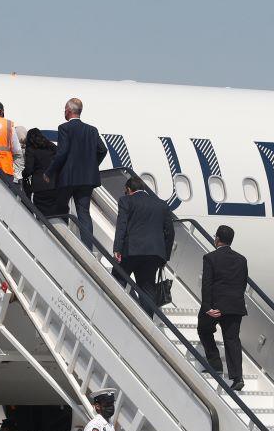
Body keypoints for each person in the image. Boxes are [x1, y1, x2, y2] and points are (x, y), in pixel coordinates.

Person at [46, 97, 107, 246]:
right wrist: (92, 166)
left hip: (68, 177)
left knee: (61, 209)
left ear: (68, 110)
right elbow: (102, 150)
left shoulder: (64, 128)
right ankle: (87, 246)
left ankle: (63, 242)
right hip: (87, 179)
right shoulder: (92, 130)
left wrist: (49, 171)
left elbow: (62, 152)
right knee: (84, 213)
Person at [113, 176, 175, 311]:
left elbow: (121, 226)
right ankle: (147, 321)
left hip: (131, 251)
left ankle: (116, 311)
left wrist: (117, 249)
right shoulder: (161, 204)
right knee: (147, 289)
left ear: (128, 189)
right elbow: (170, 233)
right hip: (154, 254)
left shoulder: (126, 200)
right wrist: (165, 256)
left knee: (117, 279)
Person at [197, 225, 248, 391]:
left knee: (204, 329)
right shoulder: (241, 259)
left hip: (216, 307)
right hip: (235, 307)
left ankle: (215, 364)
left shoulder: (210, 258)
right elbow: (242, 284)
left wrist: (207, 307)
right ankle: (237, 377)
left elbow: (207, 284)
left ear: (217, 239)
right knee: (232, 340)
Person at [22, 128, 60, 217]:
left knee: (42, 213)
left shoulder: (31, 149)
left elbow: (29, 169)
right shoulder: (52, 147)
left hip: (40, 186)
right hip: (56, 184)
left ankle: (45, 229)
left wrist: (24, 175)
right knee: (56, 213)